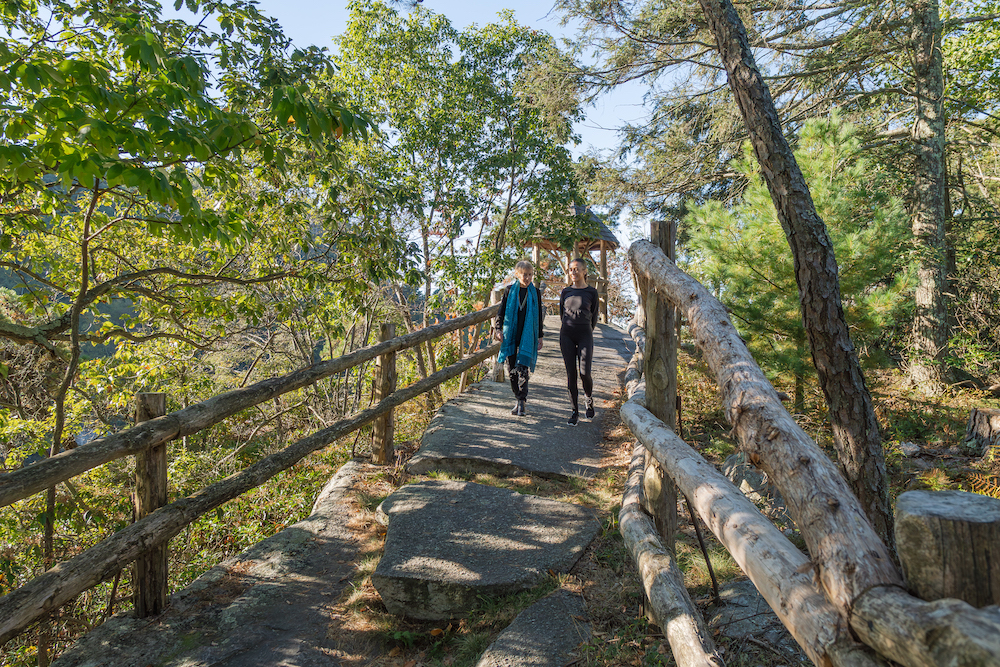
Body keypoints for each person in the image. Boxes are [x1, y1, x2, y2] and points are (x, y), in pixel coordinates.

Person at [493, 260, 544, 416]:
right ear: (517, 274)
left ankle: (522, 401)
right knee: (512, 369)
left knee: (523, 369)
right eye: (524, 274)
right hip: (511, 335)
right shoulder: (509, 291)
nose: (527, 278)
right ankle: (517, 398)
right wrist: (498, 329)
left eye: (530, 275)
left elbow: (539, 316)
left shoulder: (535, 292)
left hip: (527, 336)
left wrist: (540, 336)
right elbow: (501, 312)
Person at [560, 257, 600, 426]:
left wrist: (586, 329)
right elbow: (562, 315)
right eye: (571, 269)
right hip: (566, 334)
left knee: (584, 373)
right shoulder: (565, 291)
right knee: (571, 374)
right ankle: (574, 411)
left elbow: (595, 316)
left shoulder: (592, 292)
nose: (574, 272)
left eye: (577, 269)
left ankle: (588, 398)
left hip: (585, 334)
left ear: (584, 271)